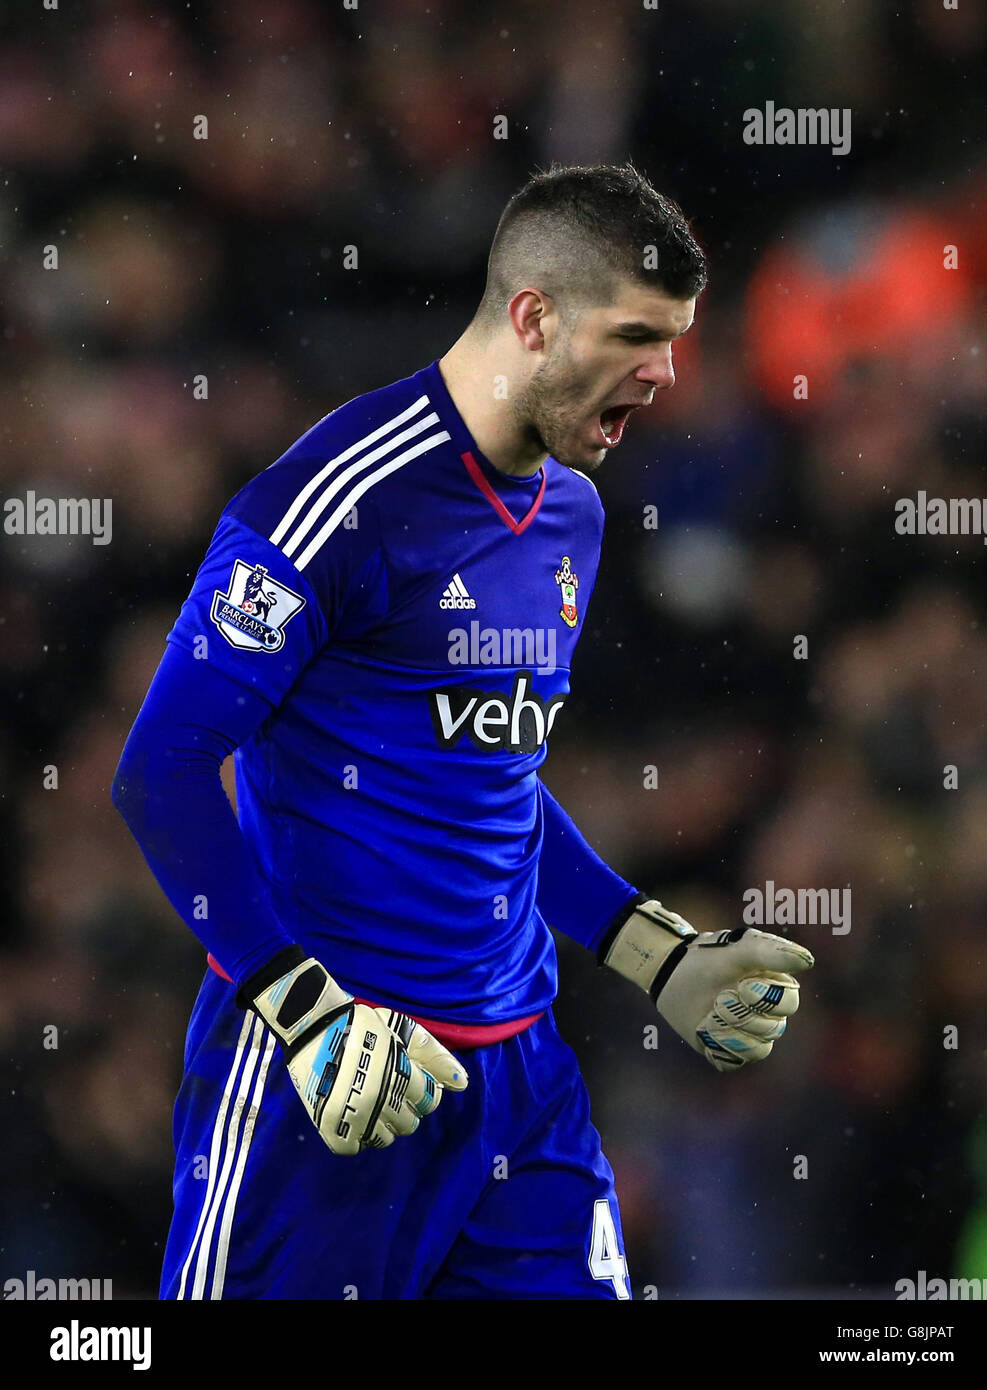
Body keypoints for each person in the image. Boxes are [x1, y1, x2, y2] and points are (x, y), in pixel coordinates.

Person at [112, 161, 813, 1301]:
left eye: (676, 338)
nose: (666, 371)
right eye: (637, 334)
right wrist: (302, 1009)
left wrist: (654, 951)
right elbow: (162, 771)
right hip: (326, 1083)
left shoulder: (575, 515)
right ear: (533, 317)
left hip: (519, 1084)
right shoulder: (336, 501)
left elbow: (490, 782)